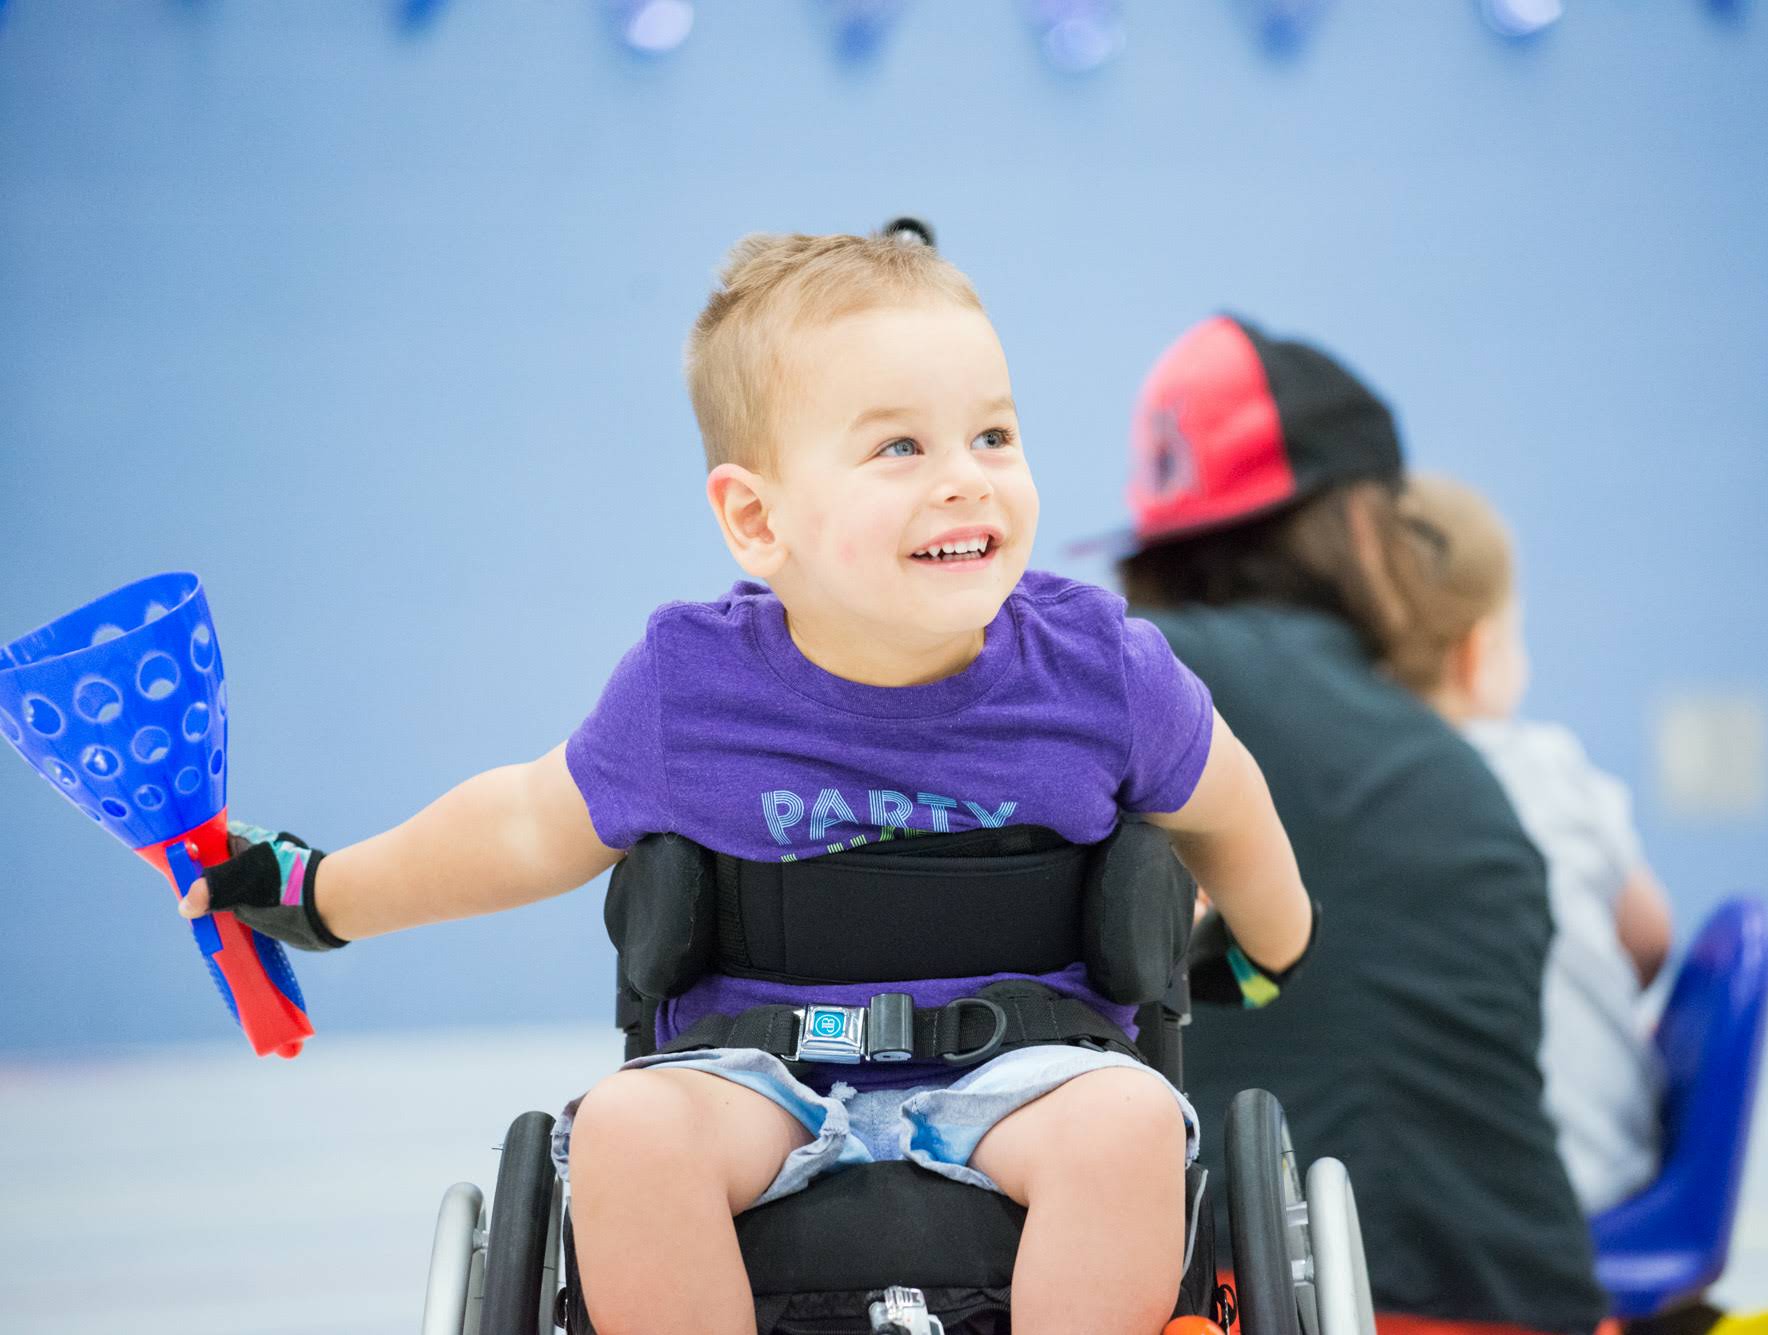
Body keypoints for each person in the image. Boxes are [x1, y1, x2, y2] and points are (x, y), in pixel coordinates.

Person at [174, 234, 1314, 1335]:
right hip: (755, 1076)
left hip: (1031, 1074)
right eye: (899, 449)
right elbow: (525, 824)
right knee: (624, 1130)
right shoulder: (691, 689)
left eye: (993, 435)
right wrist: (324, 896)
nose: (965, 480)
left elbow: (1228, 802)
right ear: (755, 518)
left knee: (1125, 1127)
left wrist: (1268, 947)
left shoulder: (1098, 670)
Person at [1114, 315, 1607, 1335]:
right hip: (1525, 1303)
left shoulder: (1122, 685)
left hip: (1282, 1304)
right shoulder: (1431, 755)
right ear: (1363, 526)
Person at [1385, 472, 1673, 1215]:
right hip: (1605, 1170)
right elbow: (1648, 936)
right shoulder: (1554, 768)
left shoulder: (1356, 798)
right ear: (1479, 653)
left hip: (1445, 1207)